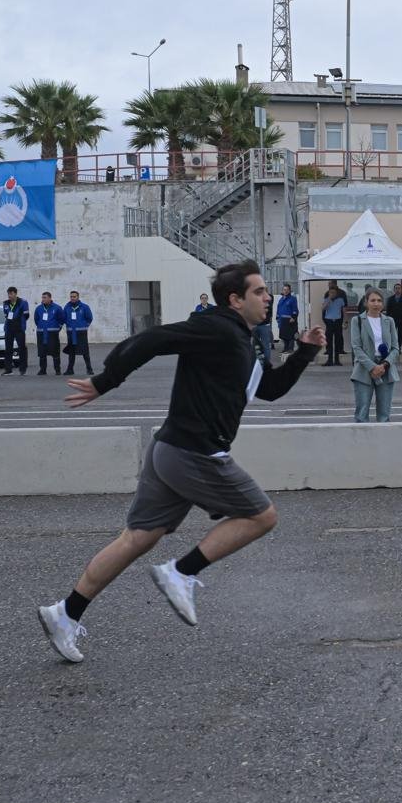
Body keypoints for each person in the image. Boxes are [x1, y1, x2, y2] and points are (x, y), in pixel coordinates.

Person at [37, 261, 326, 664]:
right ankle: (181, 572)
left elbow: (271, 389)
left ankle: (65, 613)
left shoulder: (243, 340)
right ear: (235, 299)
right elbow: (154, 338)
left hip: (170, 449)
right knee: (262, 517)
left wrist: (306, 351)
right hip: (195, 451)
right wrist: (107, 380)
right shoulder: (217, 327)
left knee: (137, 538)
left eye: (266, 292)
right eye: (259, 292)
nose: (268, 297)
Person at [349, 289, 398, 423]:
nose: (376, 303)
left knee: (384, 415)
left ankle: (383, 442)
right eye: (373, 300)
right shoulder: (357, 320)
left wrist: (384, 365)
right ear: (366, 302)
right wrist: (372, 367)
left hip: (385, 369)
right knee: (361, 413)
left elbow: (395, 348)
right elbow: (356, 348)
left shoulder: (390, 321)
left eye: (379, 300)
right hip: (364, 368)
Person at [62, 291, 94, 376]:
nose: (72, 298)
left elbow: (89, 318)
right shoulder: (67, 307)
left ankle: (89, 369)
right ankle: (70, 370)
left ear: (78, 297)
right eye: (71, 296)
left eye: (74, 296)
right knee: (71, 352)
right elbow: (64, 318)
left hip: (81, 333)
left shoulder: (84, 307)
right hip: (71, 333)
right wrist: (68, 325)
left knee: (85, 352)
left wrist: (84, 326)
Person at [34, 291, 65, 376]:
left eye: (45, 297)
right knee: (42, 353)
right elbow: (36, 320)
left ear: (50, 298)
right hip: (41, 334)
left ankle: (57, 370)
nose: (43, 299)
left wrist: (57, 328)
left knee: (55, 352)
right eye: (42, 297)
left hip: (52, 334)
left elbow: (62, 319)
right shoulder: (38, 308)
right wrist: (41, 327)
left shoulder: (57, 308)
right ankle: (43, 370)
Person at [1, 286, 30, 376]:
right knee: (8, 349)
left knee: (22, 349)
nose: (9, 295)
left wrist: (19, 322)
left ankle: (23, 369)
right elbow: (6, 315)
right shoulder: (5, 303)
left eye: (11, 294)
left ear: (15, 294)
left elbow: (26, 315)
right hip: (9, 329)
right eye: (8, 294)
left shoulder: (23, 302)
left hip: (19, 329)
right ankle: (8, 370)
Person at [320, 281, 347, 366]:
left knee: (337, 341)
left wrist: (345, 321)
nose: (332, 294)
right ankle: (329, 360)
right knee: (329, 341)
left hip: (338, 321)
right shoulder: (326, 299)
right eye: (330, 292)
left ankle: (337, 360)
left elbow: (344, 311)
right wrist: (329, 300)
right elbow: (323, 308)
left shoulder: (340, 300)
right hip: (329, 322)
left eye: (334, 293)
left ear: (336, 293)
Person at [384, 282, 402, 354]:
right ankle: (392, 347)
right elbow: (388, 310)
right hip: (392, 320)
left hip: (401, 319)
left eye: (399, 288)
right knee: (392, 334)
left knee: (400, 334)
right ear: (394, 290)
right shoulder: (390, 299)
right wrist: (387, 319)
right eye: (396, 288)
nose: (397, 290)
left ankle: (399, 348)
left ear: (401, 289)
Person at [275, 284, 299, 354]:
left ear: (289, 290)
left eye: (287, 290)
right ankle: (285, 348)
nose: (285, 291)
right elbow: (278, 309)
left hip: (290, 320)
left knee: (290, 335)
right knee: (284, 335)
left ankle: (290, 349)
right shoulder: (281, 299)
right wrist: (277, 317)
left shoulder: (292, 299)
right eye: (284, 289)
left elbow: (295, 309)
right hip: (282, 320)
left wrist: (293, 317)